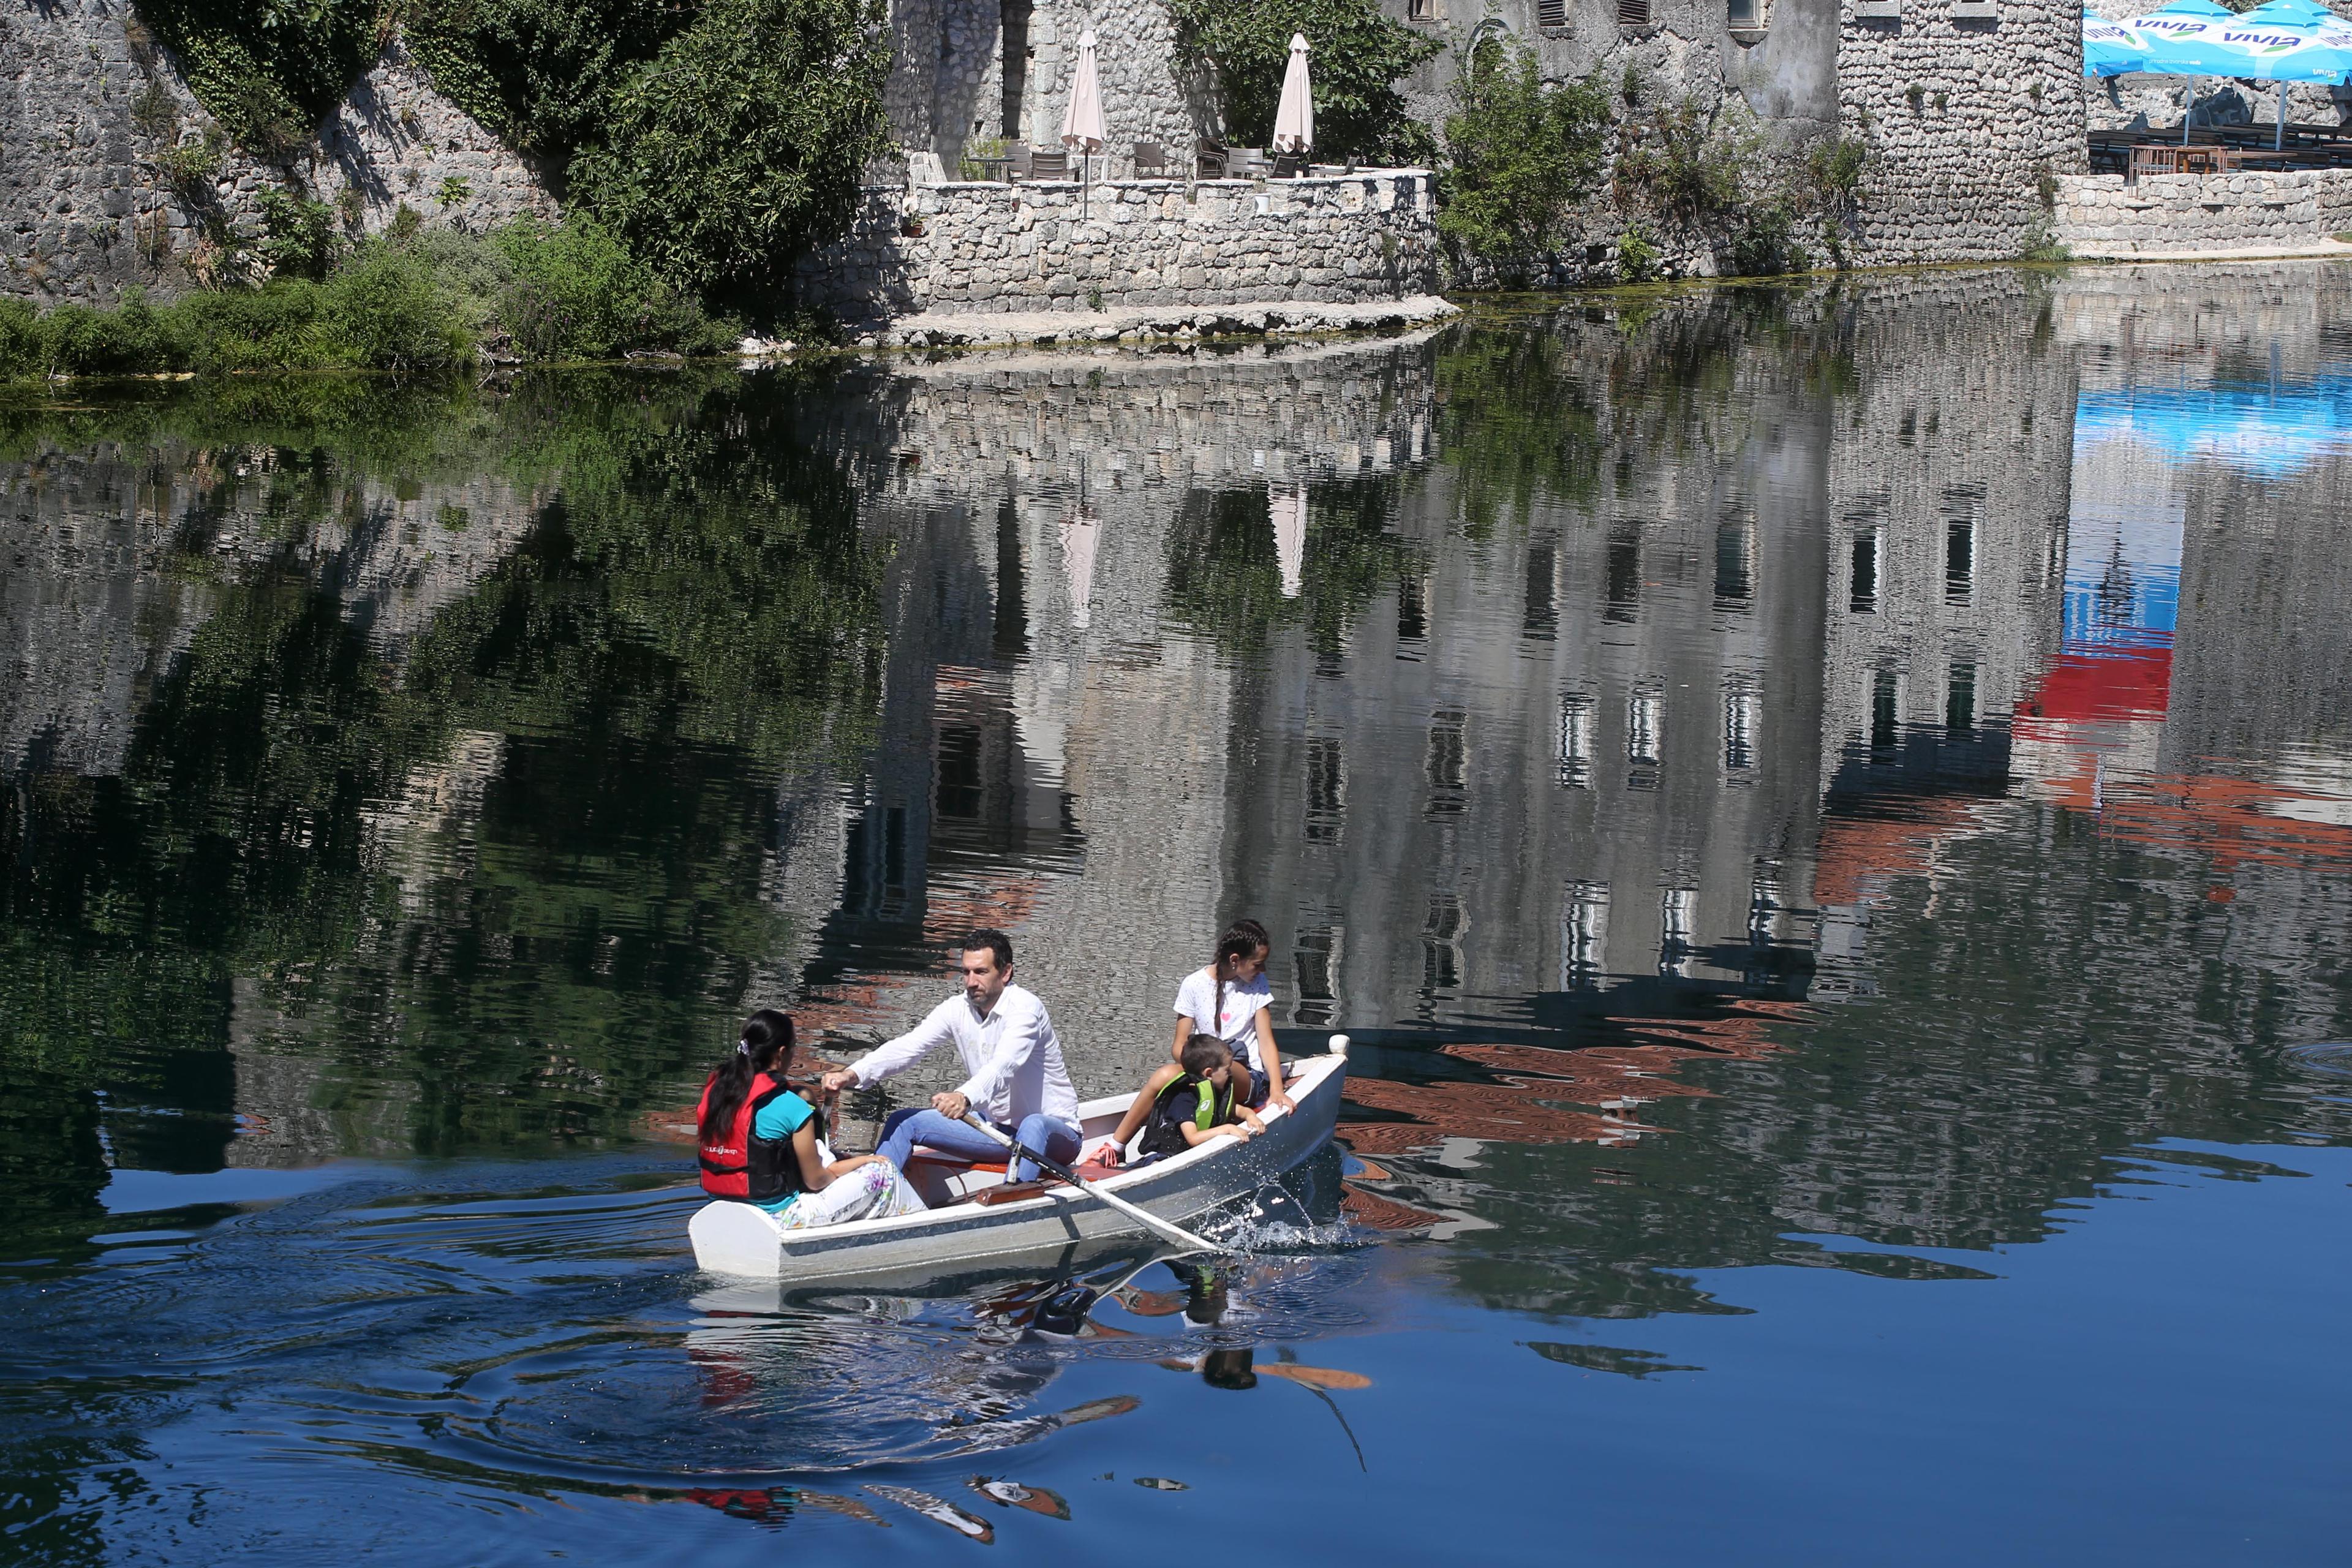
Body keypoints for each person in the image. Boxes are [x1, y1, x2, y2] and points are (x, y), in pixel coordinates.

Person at [821, 929, 1082, 1186]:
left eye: (981, 972)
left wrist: (964, 1097)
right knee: (903, 1122)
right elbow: (909, 1046)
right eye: (966, 972)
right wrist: (851, 1074)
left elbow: (1005, 1065)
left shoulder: (1026, 1010)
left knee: (1033, 1125)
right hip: (996, 1130)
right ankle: (873, 1193)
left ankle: (1014, 1196)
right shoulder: (957, 1009)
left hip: (1055, 1137)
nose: (971, 981)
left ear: (1005, 973)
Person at [697, 1008, 924, 1229]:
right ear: (781, 1053)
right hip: (778, 1217)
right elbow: (817, 1181)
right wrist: (865, 1161)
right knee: (883, 1172)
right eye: (794, 1048)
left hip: (719, 1206)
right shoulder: (792, 1107)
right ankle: (923, 1230)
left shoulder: (716, 1093)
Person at [1172, 918, 1292, 1112]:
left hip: (1247, 1075)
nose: (1263, 970)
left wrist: (1277, 1089)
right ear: (1235, 960)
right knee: (1163, 1075)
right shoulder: (1193, 984)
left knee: (1223, 1068)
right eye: (1258, 964)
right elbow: (1179, 1046)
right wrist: (1200, 1067)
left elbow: (1266, 1043)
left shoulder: (1257, 984)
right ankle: (1117, 1142)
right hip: (1204, 1069)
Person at [1134, 1035, 1265, 1160]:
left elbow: (1236, 1109)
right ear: (1209, 1073)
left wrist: (1250, 1116)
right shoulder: (1184, 1098)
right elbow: (1193, 1138)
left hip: (1187, 1153)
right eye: (1227, 1070)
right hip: (1164, 1156)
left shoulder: (1215, 1091)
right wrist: (1228, 1128)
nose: (1231, 1074)